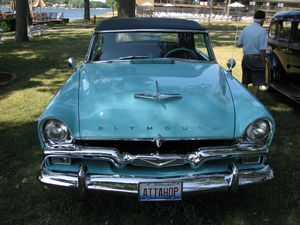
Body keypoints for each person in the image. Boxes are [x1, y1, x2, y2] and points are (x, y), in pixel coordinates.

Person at [237, 10, 267, 96]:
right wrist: (263, 62)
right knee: (256, 82)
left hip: (246, 58)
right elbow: (262, 49)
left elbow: (238, 44)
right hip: (256, 58)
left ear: (254, 18)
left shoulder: (246, 29)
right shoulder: (262, 31)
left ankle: (243, 98)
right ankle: (253, 101)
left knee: (245, 81)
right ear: (262, 20)